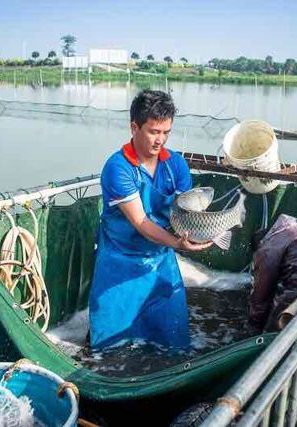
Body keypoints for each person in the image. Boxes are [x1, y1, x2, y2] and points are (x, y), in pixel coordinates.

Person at [89, 90, 212, 350]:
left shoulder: (176, 164)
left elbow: (186, 214)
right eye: (154, 131)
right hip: (119, 263)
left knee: (172, 342)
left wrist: (200, 231)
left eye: (166, 132)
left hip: (160, 260)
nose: (161, 140)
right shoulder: (118, 168)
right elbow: (142, 223)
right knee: (110, 350)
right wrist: (178, 244)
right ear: (134, 127)